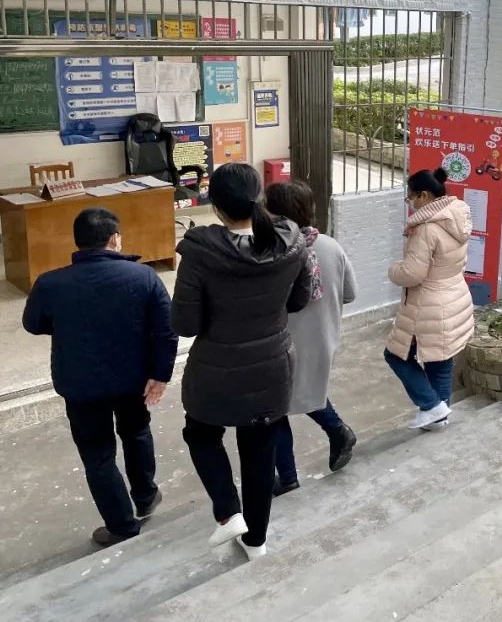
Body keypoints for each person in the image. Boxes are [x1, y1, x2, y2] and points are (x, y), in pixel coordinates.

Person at [171, 163, 313, 561]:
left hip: (215, 370)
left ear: (216, 207)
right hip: (271, 366)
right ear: (260, 199)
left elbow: (185, 324)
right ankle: (256, 542)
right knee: (260, 453)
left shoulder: (200, 252)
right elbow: (299, 300)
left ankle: (228, 511)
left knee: (201, 434)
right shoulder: (291, 242)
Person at [22, 208, 177, 547]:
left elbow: (33, 323)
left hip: (80, 384)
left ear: (77, 242)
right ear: (114, 239)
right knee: (136, 433)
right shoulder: (144, 277)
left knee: (97, 455)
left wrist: (68, 324)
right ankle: (146, 496)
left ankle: (121, 525)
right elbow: (167, 330)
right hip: (133, 379)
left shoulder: (50, 283)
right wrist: (160, 374)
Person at [264, 180, 359, 495]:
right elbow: (350, 293)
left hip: (283, 343)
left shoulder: (273, 253)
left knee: (275, 409)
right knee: (305, 392)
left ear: (276, 215)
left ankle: (288, 477)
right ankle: (338, 432)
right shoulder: (331, 246)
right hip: (323, 338)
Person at [384, 167, 474, 430]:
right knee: (440, 360)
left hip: (428, 304)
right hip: (454, 296)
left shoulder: (426, 229)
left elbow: (413, 274)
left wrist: (393, 269)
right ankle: (439, 418)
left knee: (395, 355)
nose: (410, 203)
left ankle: (432, 406)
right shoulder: (457, 214)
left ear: (424, 196)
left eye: (411, 197)